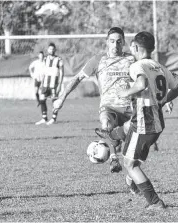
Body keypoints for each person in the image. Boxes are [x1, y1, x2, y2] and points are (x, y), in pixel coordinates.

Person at [98, 31, 178, 209]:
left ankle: (155, 202)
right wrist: (163, 101)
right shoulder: (159, 66)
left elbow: (141, 83)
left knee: (129, 164)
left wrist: (125, 92)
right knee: (132, 153)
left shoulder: (137, 66)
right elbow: (177, 87)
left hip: (145, 119)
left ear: (135, 47)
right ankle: (115, 138)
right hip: (156, 120)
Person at [53, 27, 135, 173]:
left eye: (118, 41)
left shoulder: (131, 59)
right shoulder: (98, 60)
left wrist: (165, 99)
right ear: (106, 42)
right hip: (109, 107)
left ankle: (132, 180)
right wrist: (61, 98)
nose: (115, 45)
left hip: (130, 108)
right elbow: (77, 78)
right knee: (106, 123)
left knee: (133, 157)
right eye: (112, 41)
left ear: (123, 42)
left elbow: (146, 79)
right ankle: (114, 159)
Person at [35, 43, 64, 125]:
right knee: (42, 99)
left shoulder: (59, 59)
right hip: (45, 84)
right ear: (48, 50)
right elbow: (44, 72)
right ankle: (44, 118)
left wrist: (59, 84)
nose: (51, 50)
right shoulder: (45, 59)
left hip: (54, 84)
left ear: (55, 50)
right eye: (50, 49)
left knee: (55, 101)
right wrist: (41, 83)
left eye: (53, 49)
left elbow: (62, 73)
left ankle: (54, 118)